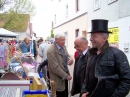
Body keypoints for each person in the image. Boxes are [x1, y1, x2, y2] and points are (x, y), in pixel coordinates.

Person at [81, 19, 130, 97]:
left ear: (104, 38)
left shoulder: (117, 54)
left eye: (94, 36)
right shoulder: (91, 53)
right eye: (91, 36)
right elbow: (87, 76)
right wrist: (83, 91)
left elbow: (127, 81)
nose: (90, 39)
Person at [47, 32, 73, 97]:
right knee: (60, 94)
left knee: (65, 93)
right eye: (62, 40)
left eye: (64, 40)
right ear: (56, 40)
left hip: (64, 76)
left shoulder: (63, 46)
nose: (64, 42)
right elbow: (55, 67)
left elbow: (67, 55)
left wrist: (71, 59)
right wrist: (66, 76)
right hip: (57, 78)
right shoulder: (51, 50)